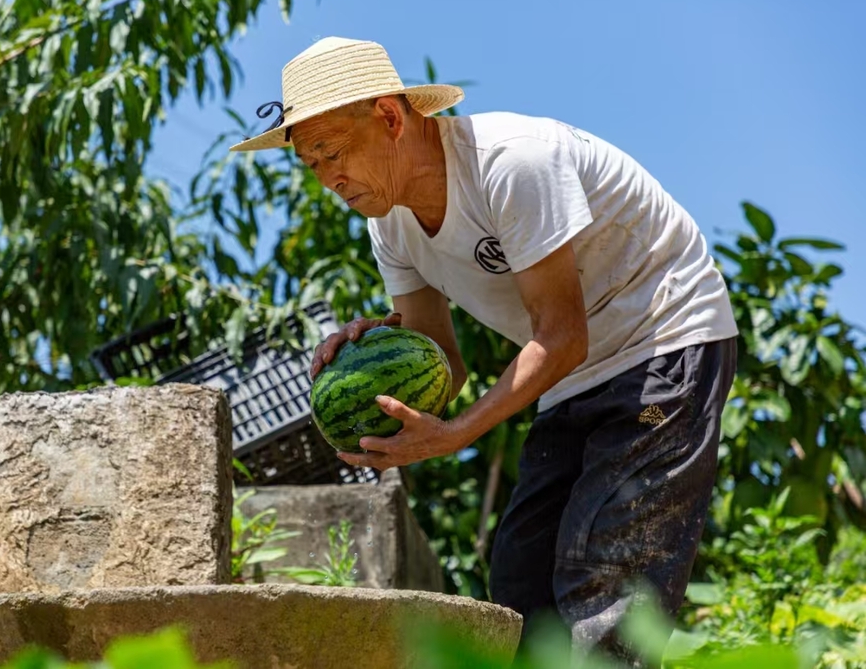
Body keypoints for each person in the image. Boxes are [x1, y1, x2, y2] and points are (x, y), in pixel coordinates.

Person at [230, 36, 738, 665]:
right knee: (520, 586)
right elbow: (443, 362)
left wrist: (454, 434)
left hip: (665, 343)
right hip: (570, 375)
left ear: (390, 117)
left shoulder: (512, 162)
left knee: (605, 586)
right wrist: (382, 366)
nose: (329, 179)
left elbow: (561, 335)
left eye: (332, 152)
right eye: (310, 163)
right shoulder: (389, 224)